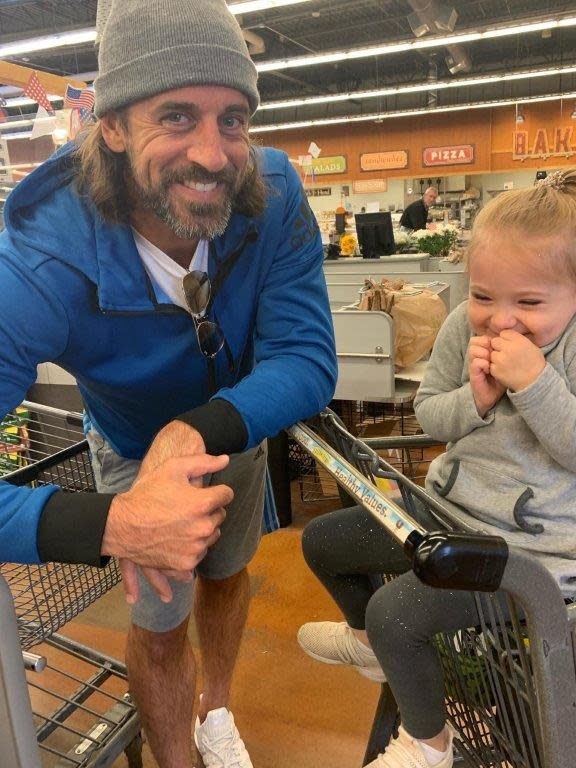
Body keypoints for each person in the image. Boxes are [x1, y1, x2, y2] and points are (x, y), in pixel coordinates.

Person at [0, 0, 336, 766]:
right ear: (112, 127)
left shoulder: (273, 194)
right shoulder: (40, 262)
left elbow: (307, 358)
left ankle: (216, 715)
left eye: (233, 120)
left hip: (237, 425)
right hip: (125, 443)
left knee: (226, 569)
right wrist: (113, 524)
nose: (214, 156)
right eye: (176, 117)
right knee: (157, 623)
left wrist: (194, 431)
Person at [297, 168, 576, 768]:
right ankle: (369, 646)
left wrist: (535, 383)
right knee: (323, 543)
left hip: (529, 554)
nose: (501, 320)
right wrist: (478, 399)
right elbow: (432, 414)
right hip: (445, 515)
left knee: (400, 613)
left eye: (529, 302)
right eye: (485, 296)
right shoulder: (458, 326)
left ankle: (429, 745)